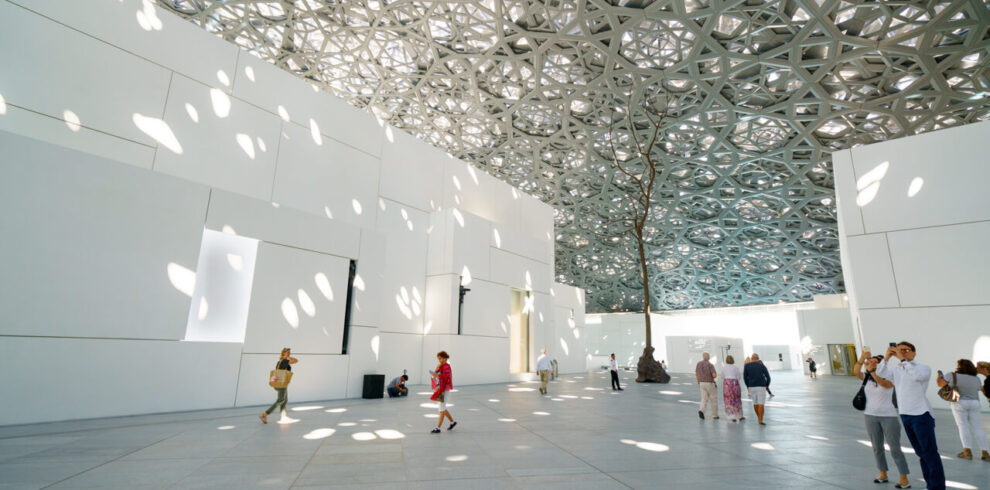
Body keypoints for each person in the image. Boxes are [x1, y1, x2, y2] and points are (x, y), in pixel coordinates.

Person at [877, 342, 945, 490]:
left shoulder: (923, 368)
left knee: (930, 453)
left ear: (914, 353)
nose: (903, 353)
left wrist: (903, 360)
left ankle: (937, 487)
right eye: (899, 350)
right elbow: (881, 373)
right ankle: (930, 485)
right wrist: (887, 357)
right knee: (921, 453)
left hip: (921, 414)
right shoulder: (897, 370)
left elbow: (917, 377)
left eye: (906, 350)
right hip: (905, 414)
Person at [855, 351, 911, 487]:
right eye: (871, 361)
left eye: (875, 362)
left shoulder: (890, 376)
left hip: (888, 416)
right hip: (870, 415)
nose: (872, 363)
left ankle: (903, 477)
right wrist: (862, 359)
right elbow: (856, 371)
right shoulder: (867, 378)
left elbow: (883, 384)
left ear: (881, 365)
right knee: (877, 447)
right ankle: (883, 473)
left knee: (895, 448)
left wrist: (872, 371)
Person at [936, 359, 989, 461]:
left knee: (963, 426)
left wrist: (939, 376)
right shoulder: (976, 378)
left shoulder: (952, 375)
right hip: (975, 403)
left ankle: (967, 452)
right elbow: (979, 389)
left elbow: (940, 384)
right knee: (978, 428)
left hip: (959, 403)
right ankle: (985, 453)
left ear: (959, 366)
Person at [259, 347, 298, 424]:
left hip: (282, 383)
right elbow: (296, 361)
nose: (289, 354)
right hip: (282, 383)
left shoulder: (280, 361)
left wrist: (274, 384)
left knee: (284, 400)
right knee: (280, 400)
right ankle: (264, 414)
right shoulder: (284, 361)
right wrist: (288, 357)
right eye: (287, 352)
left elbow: (276, 373)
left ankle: (283, 416)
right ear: (283, 353)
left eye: (290, 352)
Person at [429, 351, 456, 434]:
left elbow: (445, 377)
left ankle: (438, 428)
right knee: (442, 407)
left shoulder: (447, 367)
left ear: (445, 358)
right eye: (438, 359)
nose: (439, 360)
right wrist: (437, 369)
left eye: (440, 358)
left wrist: (437, 375)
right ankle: (452, 422)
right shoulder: (441, 366)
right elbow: (436, 374)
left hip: (444, 389)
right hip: (440, 388)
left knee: (441, 408)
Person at [743, 353, 771, 425]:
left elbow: (745, 377)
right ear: (758, 359)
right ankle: (760, 419)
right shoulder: (762, 366)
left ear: (752, 359)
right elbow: (768, 377)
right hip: (761, 386)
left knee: (755, 403)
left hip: (752, 386)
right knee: (761, 403)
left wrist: (747, 385)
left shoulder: (747, 366)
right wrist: (767, 385)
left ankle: (759, 417)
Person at [695, 352, 719, 420]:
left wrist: (698, 382)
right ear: (708, 357)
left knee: (704, 399)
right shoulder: (710, 365)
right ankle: (715, 415)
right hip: (709, 383)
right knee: (713, 399)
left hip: (701, 383)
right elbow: (714, 375)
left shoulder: (698, 364)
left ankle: (701, 410)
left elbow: (696, 374)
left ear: (703, 357)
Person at [722, 355, 743, 422]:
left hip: (727, 384)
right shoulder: (736, 367)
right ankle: (739, 415)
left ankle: (731, 416)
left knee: (728, 399)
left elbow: (722, 376)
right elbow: (739, 377)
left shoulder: (724, 367)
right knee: (736, 399)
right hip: (734, 383)